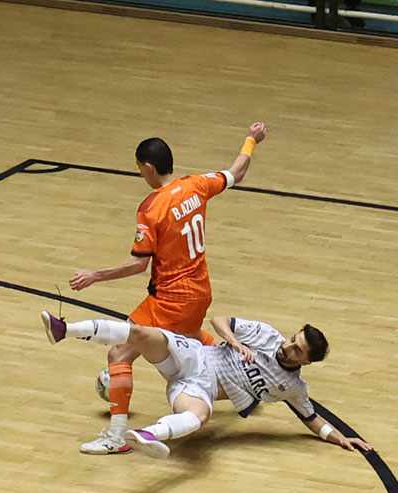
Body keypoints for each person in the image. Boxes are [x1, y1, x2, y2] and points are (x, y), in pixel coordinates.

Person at [66, 122, 268, 455]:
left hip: (170, 299)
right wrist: (251, 140)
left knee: (119, 352)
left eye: (139, 169)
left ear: (148, 167)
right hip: (200, 292)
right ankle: (246, 380)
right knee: (192, 337)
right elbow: (237, 172)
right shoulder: (196, 185)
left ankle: (116, 438)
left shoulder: (151, 208)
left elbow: (138, 264)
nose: (141, 175)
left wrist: (94, 276)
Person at [40, 311, 373, 457]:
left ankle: (147, 435)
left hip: (198, 390)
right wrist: (235, 341)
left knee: (199, 417)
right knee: (141, 334)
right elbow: (218, 320)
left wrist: (341, 438)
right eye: (292, 340)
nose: (287, 347)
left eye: (297, 350)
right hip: (195, 358)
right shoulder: (266, 335)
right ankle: (64, 330)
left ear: (306, 362)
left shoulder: (292, 388)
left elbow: (311, 419)